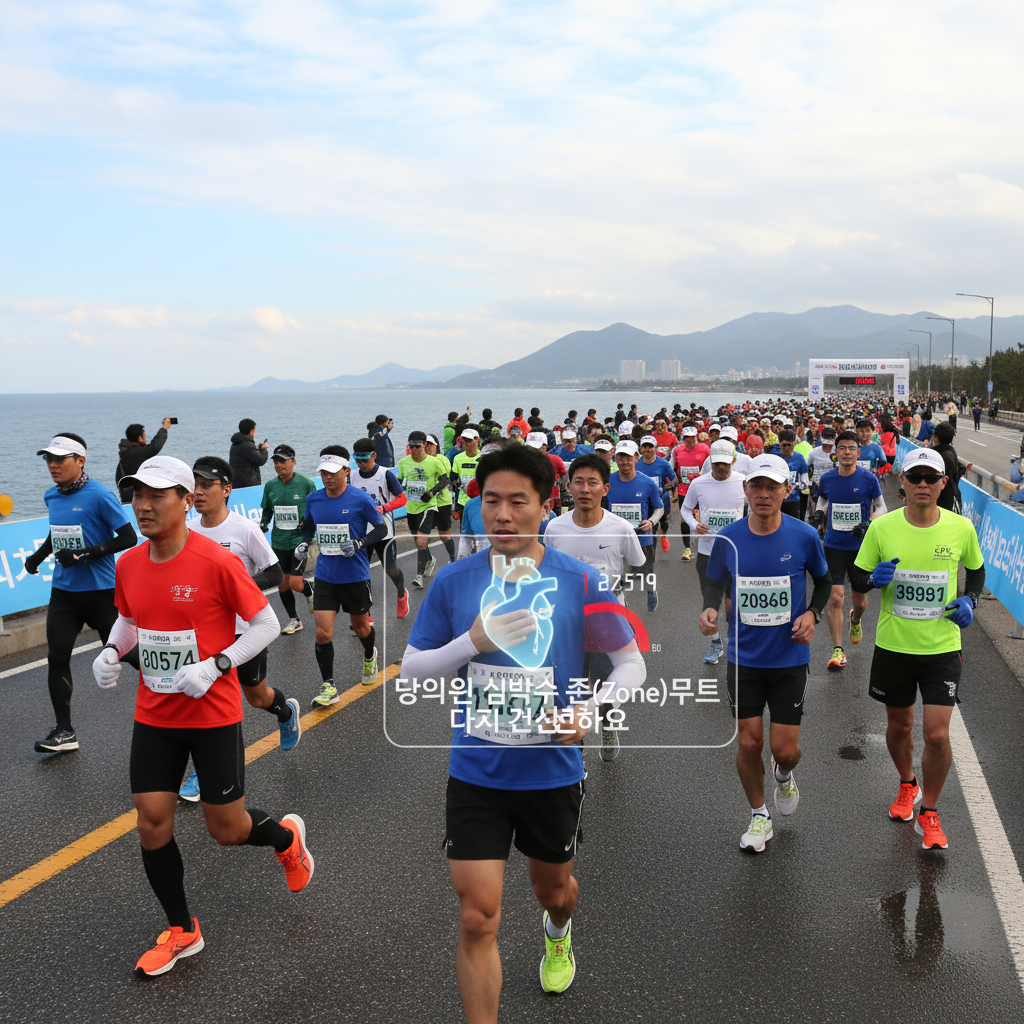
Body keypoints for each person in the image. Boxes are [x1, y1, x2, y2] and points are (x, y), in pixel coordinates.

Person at [400, 443, 644, 1016]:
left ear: (543, 505)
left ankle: (557, 931)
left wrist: (591, 711)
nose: (502, 515)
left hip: (551, 773)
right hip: (476, 772)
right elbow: (411, 669)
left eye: (517, 501)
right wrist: (472, 643)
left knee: (553, 892)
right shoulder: (455, 581)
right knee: (476, 916)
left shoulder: (579, 581)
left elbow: (631, 661)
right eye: (491, 502)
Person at [91, 455, 312, 977]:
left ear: (186, 501)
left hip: (211, 713)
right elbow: (129, 621)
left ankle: (286, 839)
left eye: (156, 496)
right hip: (155, 713)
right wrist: (109, 651)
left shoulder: (216, 561)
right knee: (151, 823)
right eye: (137, 495)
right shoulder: (128, 564)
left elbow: (264, 624)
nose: (143, 505)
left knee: (227, 830)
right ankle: (182, 929)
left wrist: (216, 666)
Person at [850, 447, 984, 850]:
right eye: (915, 478)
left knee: (937, 735)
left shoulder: (961, 529)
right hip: (894, 646)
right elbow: (857, 573)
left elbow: (976, 571)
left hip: (942, 646)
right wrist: (873, 578)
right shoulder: (882, 528)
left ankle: (931, 810)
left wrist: (970, 602)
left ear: (944, 484)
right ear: (902, 482)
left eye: (931, 478)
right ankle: (907, 783)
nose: (923, 484)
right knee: (900, 726)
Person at [699, 454, 831, 853]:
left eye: (772, 487)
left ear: (786, 491)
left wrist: (812, 613)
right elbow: (714, 582)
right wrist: (708, 608)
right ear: (745, 490)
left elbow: (823, 583)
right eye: (756, 486)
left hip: (789, 658)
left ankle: (784, 774)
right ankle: (759, 815)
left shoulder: (804, 535)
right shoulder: (730, 539)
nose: (763, 494)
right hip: (744, 659)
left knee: (784, 749)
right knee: (749, 742)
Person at [180, 457, 301, 799]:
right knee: (204, 698)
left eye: (206, 485)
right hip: (203, 633)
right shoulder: (188, 531)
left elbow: (276, 575)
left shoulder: (244, 530)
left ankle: (285, 710)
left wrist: (237, 584)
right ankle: (206, 773)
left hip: (245, 631)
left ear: (227, 490)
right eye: (195, 485)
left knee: (256, 696)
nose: (198, 492)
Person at [24, 433, 139, 753]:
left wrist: (84, 555)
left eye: (59, 459)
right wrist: (38, 556)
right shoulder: (52, 496)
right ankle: (64, 731)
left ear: (80, 461)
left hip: (101, 592)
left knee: (125, 653)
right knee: (57, 657)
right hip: (63, 593)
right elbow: (57, 532)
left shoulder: (100, 495)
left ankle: (172, 687)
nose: (52, 465)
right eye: (48, 459)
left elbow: (128, 537)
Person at [544, 452, 647, 761]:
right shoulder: (554, 529)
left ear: (606, 488)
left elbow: (638, 564)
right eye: (578, 483)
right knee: (567, 689)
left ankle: (609, 724)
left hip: (608, 625)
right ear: (568, 487)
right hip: (566, 626)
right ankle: (574, 753)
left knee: (607, 686)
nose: (585, 489)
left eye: (592, 483)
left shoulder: (620, 529)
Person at [298, 447, 387, 705]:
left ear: (347, 472)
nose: (328, 477)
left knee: (361, 627)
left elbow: (381, 528)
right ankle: (329, 687)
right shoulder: (314, 499)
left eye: (333, 473)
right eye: (323, 473)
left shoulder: (359, 499)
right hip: (326, 577)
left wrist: (360, 543)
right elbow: (309, 527)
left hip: (355, 576)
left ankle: (370, 655)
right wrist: (304, 543)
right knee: (322, 634)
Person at [811, 432, 886, 673]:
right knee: (835, 597)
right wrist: (820, 513)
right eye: (841, 448)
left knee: (860, 600)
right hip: (833, 546)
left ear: (858, 452)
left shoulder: (868, 479)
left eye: (851, 448)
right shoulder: (828, 478)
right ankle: (837, 650)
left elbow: (882, 506)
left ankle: (856, 619)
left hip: (860, 547)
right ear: (836, 451)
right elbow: (822, 499)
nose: (846, 452)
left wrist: (870, 522)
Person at [681, 440, 746, 665]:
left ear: (734, 461)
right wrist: (694, 525)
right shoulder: (699, 483)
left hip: (737, 552)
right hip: (708, 552)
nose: (721, 468)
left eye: (725, 464)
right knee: (710, 600)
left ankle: (735, 639)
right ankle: (716, 642)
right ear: (710, 461)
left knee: (734, 600)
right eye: (717, 463)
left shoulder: (743, 482)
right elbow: (686, 508)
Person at [259, 444, 317, 634]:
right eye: (276, 461)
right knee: (282, 584)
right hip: (278, 541)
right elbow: (267, 509)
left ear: (293, 461)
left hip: (298, 541)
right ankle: (295, 620)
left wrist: (307, 523)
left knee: (294, 583)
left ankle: (308, 590)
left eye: (282, 461)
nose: (278, 465)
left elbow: (315, 509)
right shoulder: (270, 486)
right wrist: (264, 523)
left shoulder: (306, 484)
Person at [350, 438, 409, 618]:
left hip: (384, 530)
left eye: (365, 461)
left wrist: (383, 508)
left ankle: (401, 595)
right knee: (361, 572)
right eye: (358, 461)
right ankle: (364, 614)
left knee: (390, 569)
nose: (361, 465)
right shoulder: (351, 476)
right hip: (361, 532)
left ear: (374, 456)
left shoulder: (385, 474)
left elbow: (402, 499)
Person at [607, 439, 663, 611]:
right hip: (615, 539)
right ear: (615, 458)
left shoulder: (647, 483)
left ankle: (650, 590)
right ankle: (620, 610)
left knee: (645, 573)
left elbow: (659, 508)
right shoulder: (607, 481)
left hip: (642, 538)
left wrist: (651, 521)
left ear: (636, 457)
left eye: (628, 457)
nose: (624, 462)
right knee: (617, 577)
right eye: (620, 457)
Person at [398, 432, 450, 587]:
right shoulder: (403, 462)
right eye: (411, 446)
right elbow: (400, 482)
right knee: (418, 541)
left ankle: (419, 576)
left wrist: (432, 492)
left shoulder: (434, 462)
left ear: (424, 445)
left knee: (421, 541)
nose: (414, 449)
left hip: (428, 506)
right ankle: (430, 559)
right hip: (411, 507)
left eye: (417, 446)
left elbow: (445, 480)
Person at [671, 427, 710, 562]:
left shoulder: (704, 449)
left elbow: (710, 467)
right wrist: (673, 487)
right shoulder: (677, 450)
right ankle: (687, 548)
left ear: (696, 437)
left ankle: (706, 546)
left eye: (693, 437)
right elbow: (672, 468)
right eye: (687, 437)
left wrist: (700, 476)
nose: (690, 440)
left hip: (702, 489)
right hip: (684, 489)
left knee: (705, 516)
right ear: (683, 438)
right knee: (684, 518)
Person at [637, 435, 677, 553]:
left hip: (661, 500)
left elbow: (674, 480)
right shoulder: (636, 464)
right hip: (644, 502)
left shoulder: (663, 463)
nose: (647, 449)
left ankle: (663, 534)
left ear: (655, 448)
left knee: (663, 522)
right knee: (649, 529)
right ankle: (650, 554)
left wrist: (663, 488)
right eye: (645, 446)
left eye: (650, 447)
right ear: (641, 449)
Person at [117, 419, 173, 503]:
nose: (146, 438)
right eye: (145, 436)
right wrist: (164, 428)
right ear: (140, 438)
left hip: (127, 499)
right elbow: (155, 446)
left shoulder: (124, 454)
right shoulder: (138, 452)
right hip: (137, 500)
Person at [930, 423, 962, 513]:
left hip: (941, 503)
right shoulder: (951, 453)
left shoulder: (937, 457)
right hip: (952, 499)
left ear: (935, 438)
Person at [778, 430, 809, 519]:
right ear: (779, 444)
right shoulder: (775, 457)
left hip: (793, 499)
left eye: (789, 445)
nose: (787, 448)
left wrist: (796, 486)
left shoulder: (799, 458)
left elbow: (805, 481)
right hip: (777, 500)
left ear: (794, 443)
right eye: (784, 445)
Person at [229, 419, 269, 487]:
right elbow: (260, 460)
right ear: (252, 430)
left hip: (237, 482)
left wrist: (259, 449)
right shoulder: (247, 445)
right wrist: (264, 449)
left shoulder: (236, 443)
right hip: (247, 485)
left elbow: (251, 456)